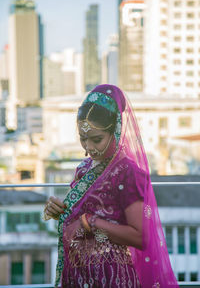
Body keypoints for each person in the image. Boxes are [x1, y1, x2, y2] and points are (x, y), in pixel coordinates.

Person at [44, 84, 179, 288]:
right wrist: (59, 211)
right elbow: (78, 215)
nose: (89, 147)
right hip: (77, 273)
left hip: (111, 277)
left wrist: (90, 222)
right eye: (83, 139)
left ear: (115, 130)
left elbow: (141, 237)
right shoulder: (84, 167)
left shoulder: (128, 173)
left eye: (96, 140)